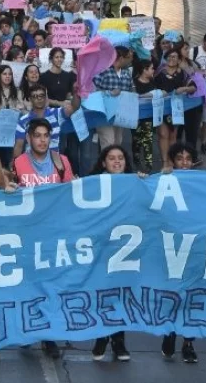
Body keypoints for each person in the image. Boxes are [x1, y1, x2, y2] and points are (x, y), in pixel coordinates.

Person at [13, 117, 72, 359]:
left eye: (45, 136)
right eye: (37, 135)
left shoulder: (62, 162)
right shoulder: (18, 162)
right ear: (29, 138)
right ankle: (29, 330)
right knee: (29, 286)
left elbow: (72, 195)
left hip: (54, 235)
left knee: (50, 287)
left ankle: (49, 336)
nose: (41, 140)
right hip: (28, 234)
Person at [89, 145, 139, 362]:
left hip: (126, 252)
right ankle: (102, 336)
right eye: (111, 158)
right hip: (101, 249)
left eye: (120, 158)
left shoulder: (137, 184)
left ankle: (119, 341)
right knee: (103, 294)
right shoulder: (91, 186)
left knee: (122, 295)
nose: (117, 162)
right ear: (103, 163)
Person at [160, 142, 199, 364]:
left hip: (196, 249)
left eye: (188, 159)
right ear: (172, 161)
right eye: (179, 159)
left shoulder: (205, 184)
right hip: (171, 248)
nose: (184, 163)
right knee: (173, 294)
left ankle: (189, 343)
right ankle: (170, 332)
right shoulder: (163, 181)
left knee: (193, 297)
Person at [14, 84, 80, 159]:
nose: (39, 99)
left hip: (54, 162)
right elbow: (18, 146)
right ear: (30, 99)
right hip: (31, 163)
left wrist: (76, 92)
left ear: (45, 98)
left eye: (41, 96)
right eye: (35, 96)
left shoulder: (56, 113)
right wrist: (15, 166)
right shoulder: (23, 120)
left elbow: (74, 107)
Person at [93, 45, 134, 149]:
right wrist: (109, 93)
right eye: (128, 57)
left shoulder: (127, 72)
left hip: (120, 113)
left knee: (117, 141)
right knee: (108, 142)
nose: (130, 60)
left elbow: (131, 90)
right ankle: (105, 164)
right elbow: (92, 91)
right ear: (121, 58)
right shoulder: (102, 70)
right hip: (104, 114)